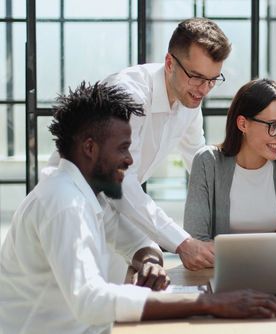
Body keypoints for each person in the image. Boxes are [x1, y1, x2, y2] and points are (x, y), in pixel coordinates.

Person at [0, 82, 276, 334]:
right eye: (123, 148)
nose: (129, 160)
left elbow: (133, 240)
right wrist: (208, 303)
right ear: (90, 148)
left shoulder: (86, 193)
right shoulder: (63, 203)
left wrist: (149, 259)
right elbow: (91, 300)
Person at [46, 17, 231, 270]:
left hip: (115, 207)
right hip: (70, 202)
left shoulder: (189, 103)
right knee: (69, 297)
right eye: (197, 77)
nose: (204, 90)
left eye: (213, 80)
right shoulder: (128, 95)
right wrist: (182, 243)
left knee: (131, 283)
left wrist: (241, 231)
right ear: (169, 63)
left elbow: (201, 169)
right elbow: (121, 181)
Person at [184, 79, 276, 240]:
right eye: (273, 126)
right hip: (220, 267)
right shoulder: (207, 162)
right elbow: (196, 245)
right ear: (243, 124)